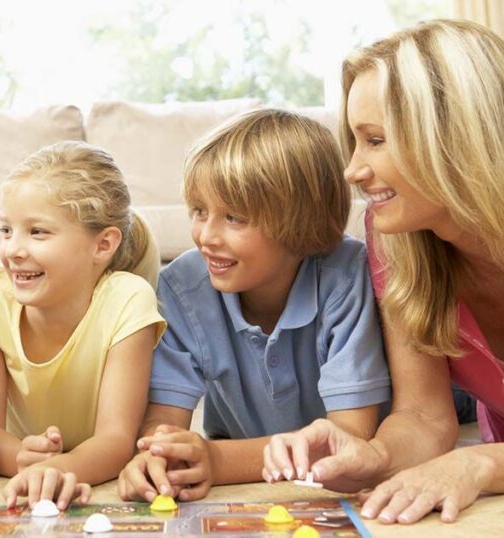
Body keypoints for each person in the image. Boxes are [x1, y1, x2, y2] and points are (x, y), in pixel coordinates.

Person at [262, 19, 504, 525]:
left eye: (374, 140)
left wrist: (474, 463)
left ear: (455, 138)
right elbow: (424, 416)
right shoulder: (395, 235)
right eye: (353, 140)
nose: (352, 170)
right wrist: (377, 456)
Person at [117, 109, 392, 502]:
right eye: (198, 211)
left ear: (300, 221)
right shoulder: (180, 288)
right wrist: (159, 454)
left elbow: (350, 436)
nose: (206, 236)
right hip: (249, 456)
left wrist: (217, 460)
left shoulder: (347, 276)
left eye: (234, 217)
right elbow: (163, 419)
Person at [0, 141, 166, 510]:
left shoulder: (127, 299)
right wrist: (25, 461)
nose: (12, 250)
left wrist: (60, 469)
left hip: (84, 461)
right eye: (7, 230)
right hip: (30, 459)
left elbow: (117, 439)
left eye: (37, 232)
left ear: (102, 245)